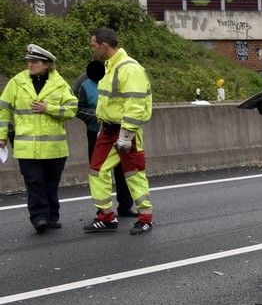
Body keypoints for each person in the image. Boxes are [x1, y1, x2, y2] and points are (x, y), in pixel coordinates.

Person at [84, 28, 155, 234]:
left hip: (125, 131)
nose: (92, 48)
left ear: (104, 45)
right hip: (107, 129)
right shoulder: (110, 66)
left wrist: (127, 134)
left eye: (93, 44)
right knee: (97, 171)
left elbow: (137, 103)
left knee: (133, 173)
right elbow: (110, 99)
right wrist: (101, 116)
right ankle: (106, 216)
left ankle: (145, 217)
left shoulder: (129, 68)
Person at [0, 44, 78, 233]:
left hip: (54, 148)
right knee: (34, 182)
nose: (30, 64)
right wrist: (1, 136)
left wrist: (48, 108)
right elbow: (4, 109)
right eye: (28, 61)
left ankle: (52, 216)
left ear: (47, 64)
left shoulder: (59, 84)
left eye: (35, 62)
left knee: (51, 184)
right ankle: (39, 218)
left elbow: (72, 109)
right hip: (27, 147)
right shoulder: (17, 82)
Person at [72, 59, 138, 218]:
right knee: (100, 172)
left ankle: (125, 206)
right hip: (97, 133)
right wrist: (95, 117)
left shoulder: (117, 78)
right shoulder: (83, 82)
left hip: (120, 131)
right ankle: (103, 209)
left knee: (123, 170)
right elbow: (76, 107)